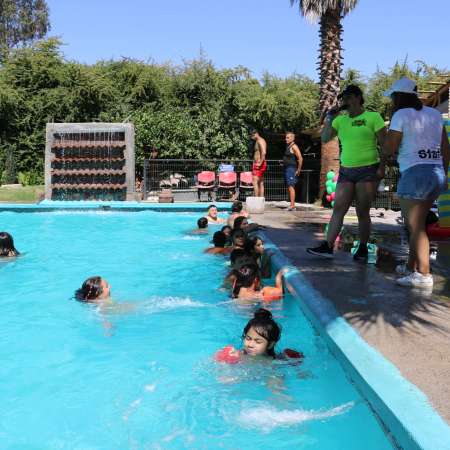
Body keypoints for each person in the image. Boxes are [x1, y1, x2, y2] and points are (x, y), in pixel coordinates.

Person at [383, 77, 449, 288]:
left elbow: (390, 148)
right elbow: (445, 148)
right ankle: (411, 267)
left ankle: (423, 274)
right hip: (435, 173)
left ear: (398, 97)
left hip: (414, 173)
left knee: (415, 227)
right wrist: (443, 173)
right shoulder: (435, 114)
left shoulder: (401, 115)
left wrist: (386, 142)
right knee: (417, 224)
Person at [307, 84, 386, 260]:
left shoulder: (373, 117)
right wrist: (329, 118)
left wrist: (382, 167)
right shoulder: (340, 120)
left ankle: (363, 248)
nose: (345, 101)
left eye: (348, 97)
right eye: (343, 99)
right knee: (338, 208)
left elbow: (385, 145)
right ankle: (328, 246)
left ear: (358, 98)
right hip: (346, 171)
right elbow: (325, 138)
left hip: (368, 169)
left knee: (362, 211)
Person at [215, 309, 304, 363]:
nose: (250, 344)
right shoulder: (235, 355)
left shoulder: (278, 361)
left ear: (270, 344)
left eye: (258, 341)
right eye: (248, 338)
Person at [283, 132, 303, 211]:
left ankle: (292, 206)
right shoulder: (288, 146)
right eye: (286, 137)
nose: (286, 139)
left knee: (291, 186)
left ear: (292, 138)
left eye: (287, 138)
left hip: (291, 169)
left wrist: (298, 170)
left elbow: (300, 158)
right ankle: (291, 204)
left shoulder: (294, 146)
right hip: (287, 168)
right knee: (289, 186)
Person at [250, 129, 267, 197]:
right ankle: (261, 199)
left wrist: (260, 163)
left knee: (255, 181)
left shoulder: (260, 141)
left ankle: (256, 199)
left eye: (252, 136)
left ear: (256, 133)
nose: (252, 137)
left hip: (259, 163)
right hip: (259, 163)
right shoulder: (259, 140)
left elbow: (264, 152)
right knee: (260, 182)